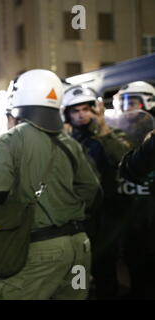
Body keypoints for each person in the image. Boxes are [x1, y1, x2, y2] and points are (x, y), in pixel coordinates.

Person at [0, 70, 101, 300]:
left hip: (42, 250)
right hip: (80, 248)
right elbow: (91, 189)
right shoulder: (70, 142)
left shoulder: (12, 139)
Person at [61, 85, 132, 299]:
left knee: (105, 273)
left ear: (96, 110)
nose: (81, 115)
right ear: (67, 113)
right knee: (78, 275)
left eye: (86, 109)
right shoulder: (66, 139)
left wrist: (104, 132)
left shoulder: (110, 134)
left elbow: (125, 159)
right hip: (77, 219)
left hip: (105, 218)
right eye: (75, 110)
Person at [114, 81, 155, 299]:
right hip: (133, 220)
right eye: (124, 102)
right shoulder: (121, 134)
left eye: (132, 102)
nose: (127, 108)